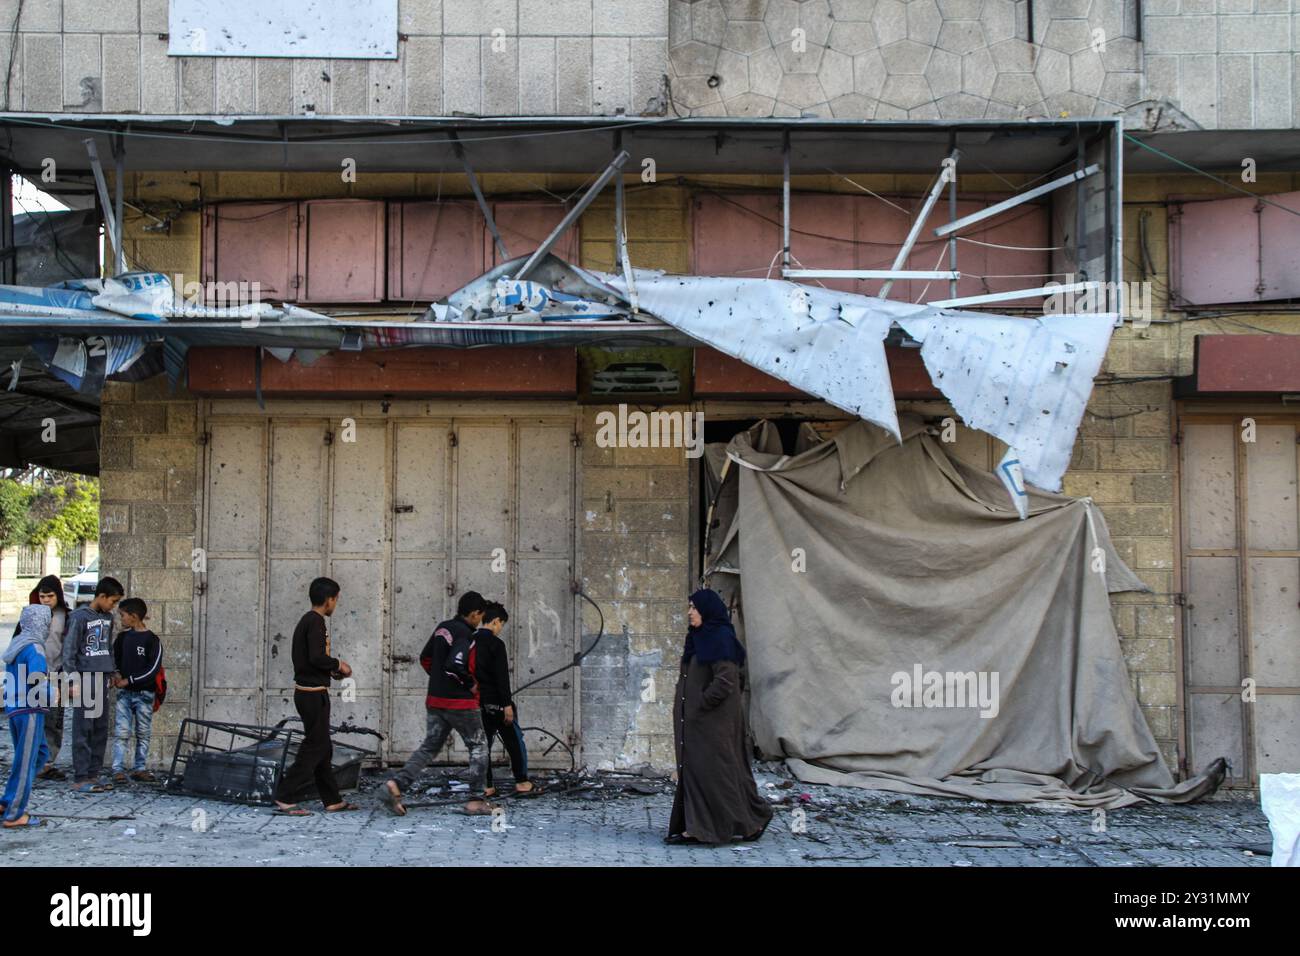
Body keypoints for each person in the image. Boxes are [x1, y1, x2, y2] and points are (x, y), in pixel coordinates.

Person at [665, 588, 773, 846]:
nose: (690, 612)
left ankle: (732, 824)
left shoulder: (720, 637)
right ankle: (711, 826)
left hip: (713, 724)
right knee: (703, 773)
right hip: (697, 723)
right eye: (689, 607)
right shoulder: (698, 637)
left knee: (716, 775)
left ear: (707, 610)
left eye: (694, 607)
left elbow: (725, 681)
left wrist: (701, 704)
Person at [382, 590, 494, 817]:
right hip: (460, 703)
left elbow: (426, 658)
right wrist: (470, 684)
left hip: (435, 700)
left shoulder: (443, 628)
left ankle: (396, 784)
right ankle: (476, 800)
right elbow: (455, 664)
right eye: (480, 617)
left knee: (429, 747)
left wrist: (439, 680)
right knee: (479, 747)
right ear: (474, 613)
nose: (479, 621)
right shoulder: (466, 634)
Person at [272, 577, 357, 815]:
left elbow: (313, 659)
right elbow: (317, 657)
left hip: (311, 692)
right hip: (311, 695)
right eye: (336, 599)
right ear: (329, 599)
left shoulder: (309, 621)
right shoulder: (316, 622)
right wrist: (340, 665)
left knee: (323, 748)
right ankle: (284, 795)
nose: (336, 604)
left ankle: (332, 799)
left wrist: (331, 672)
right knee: (314, 747)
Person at [62, 577, 123, 794]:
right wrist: (72, 680)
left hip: (102, 678)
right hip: (85, 678)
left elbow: (108, 647)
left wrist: (113, 670)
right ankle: (81, 776)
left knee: (99, 728)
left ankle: (93, 774)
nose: (113, 606)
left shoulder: (108, 618)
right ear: (101, 596)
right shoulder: (79, 617)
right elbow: (68, 651)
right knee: (83, 728)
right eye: (112, 601)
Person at [475, 602, 537, 797]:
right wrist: (507, 705)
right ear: (495, 621)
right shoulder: (496, 644)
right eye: (501, 624)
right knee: (514, 741)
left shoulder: (470, 641)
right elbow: (501, 678)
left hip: (477, 703)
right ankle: (522, 782)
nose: (501, 628)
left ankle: (487, 786)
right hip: (497, 704)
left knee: (482, 745)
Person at [2, 604, 52, 828]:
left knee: (39, 754)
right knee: (26, 762)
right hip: (30, 709)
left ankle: (8, 801)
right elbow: (36, 679)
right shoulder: (35, 648)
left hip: (15, 708)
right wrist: (57, 691)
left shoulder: (18, 643)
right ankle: (14, 814)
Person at [110, 598, 163, 783]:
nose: (121, 620)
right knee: (122, 732)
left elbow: (153, 669)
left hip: (144, 694)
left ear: (134, 617)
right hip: (124, 695)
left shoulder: (152, 640)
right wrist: (116, 674)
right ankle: (117, 768)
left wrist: (129, 680)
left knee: (143, 732)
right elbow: (114, 658)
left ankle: (139, 768)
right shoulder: (123, 638)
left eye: (123, 616)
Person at [27, 576, 69, 781]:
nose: (45, 600)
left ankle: (48, 762)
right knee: (34, 719)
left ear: (58, 596)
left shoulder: (66, 616)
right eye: (42, 596)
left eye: (50, 596)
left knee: (54, 720)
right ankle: (34, 761)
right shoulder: (30, 615)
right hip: (34, 674)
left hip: (56, 675)